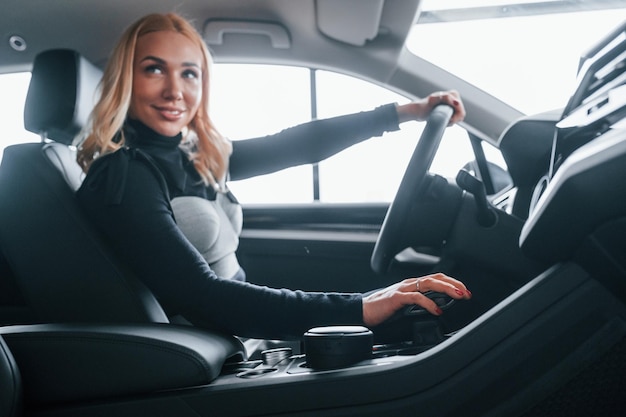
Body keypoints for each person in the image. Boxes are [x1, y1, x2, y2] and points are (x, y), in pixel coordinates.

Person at [75, 12, 471, 341]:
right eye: (154, 69)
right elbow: (201, 295)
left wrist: (406, 113)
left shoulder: (197, 154)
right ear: (126, 78)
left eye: (189, 74)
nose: (174, 90)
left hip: (239, 340)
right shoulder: (122, 174)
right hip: (204, 357)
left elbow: (295, 145)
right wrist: (361, 307)